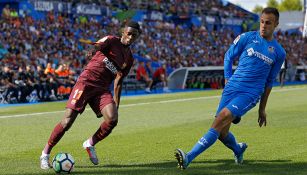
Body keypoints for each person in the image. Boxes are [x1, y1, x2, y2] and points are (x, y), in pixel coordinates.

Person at [175, 7, 286, 169]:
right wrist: (227, 79)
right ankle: (238, 148)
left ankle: (188, 157)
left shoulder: (279, 52)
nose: (263, 25)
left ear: (276, 24)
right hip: (232, 87)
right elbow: (228, 56)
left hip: (250, 93)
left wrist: (262, 109)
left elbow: (269, 82)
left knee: (219, 121)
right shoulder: (246, 37)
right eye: (261, 22)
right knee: (221, 132)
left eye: (268, 23)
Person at [40, 21, 142, 169]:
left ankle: (89, 144)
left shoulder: (129, 58)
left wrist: (116, 103)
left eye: (135, 35)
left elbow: (119, 80)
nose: (131, 37)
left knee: (112, 119)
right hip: (86, 82)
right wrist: (94, 50)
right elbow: (98, 45)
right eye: (129, 33)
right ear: (123, 32)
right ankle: (45, 154)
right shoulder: (111, 40)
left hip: (101, 89)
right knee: (67, 122)